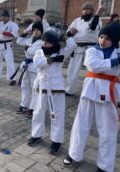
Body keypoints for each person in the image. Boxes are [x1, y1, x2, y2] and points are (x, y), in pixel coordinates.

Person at [63, 22, 120, 172]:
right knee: (81, 124)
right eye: (102, 37)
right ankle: (74, 154)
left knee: (108, 129)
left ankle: (105, 165)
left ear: (115, 41)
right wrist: (115, 62)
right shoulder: (91, 51)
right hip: (90, 90)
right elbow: (94, 66)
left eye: (108, 39)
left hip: (109, 94)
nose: (103, 41)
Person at [27, 24, 76, 155]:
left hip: (56, 85)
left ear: (54, 42)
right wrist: (52, 59)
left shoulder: (61, 51)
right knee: (38, 111)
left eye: (48, 41)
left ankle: (56, 140)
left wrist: (62, 36)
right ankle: (36, 134)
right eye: (44, 40)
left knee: (57, 114)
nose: (45, 43)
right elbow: (38, 63)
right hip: (41, 84)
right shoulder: (39, 51)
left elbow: (72, 45)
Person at [65, 3, 104, 95]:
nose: (85, 11)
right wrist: (71, 32)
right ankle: (69, 90)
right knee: (72, 69)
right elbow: (68, 32)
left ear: (92, 11)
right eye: (84, 9)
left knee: (91, 69)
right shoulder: (77, 20)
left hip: (91, 48)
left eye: (87, 9)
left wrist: (98, 13)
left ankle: (91, 91)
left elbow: (92, 28)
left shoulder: (97, 19)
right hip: (77, 47)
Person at [15, 21, 43, 118]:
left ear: (41, 31)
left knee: (34, 87)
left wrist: (27, 48)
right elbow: (18, 41)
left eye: (38, 30)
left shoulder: (42, 42)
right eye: (34, 30)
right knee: (24, 86)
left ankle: (32, 107)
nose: (35, 32)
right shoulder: (30, 39)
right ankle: (24, 104)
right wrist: (25, 33)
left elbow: (33, 52)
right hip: (26, 66)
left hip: (34, 67)